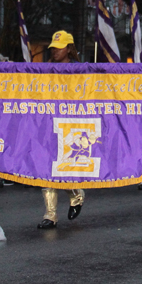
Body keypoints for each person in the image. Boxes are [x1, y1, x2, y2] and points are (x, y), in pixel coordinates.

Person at [37, 31, 85, 229]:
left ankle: (76, 195)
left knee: (62, 167)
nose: (55, 51)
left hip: (70, 125)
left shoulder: (80, 70)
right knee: (45, 169)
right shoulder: (46, 69)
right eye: (53, 48)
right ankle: (50, 215)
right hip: (48, 123)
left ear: (69, 49)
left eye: (59, 47)